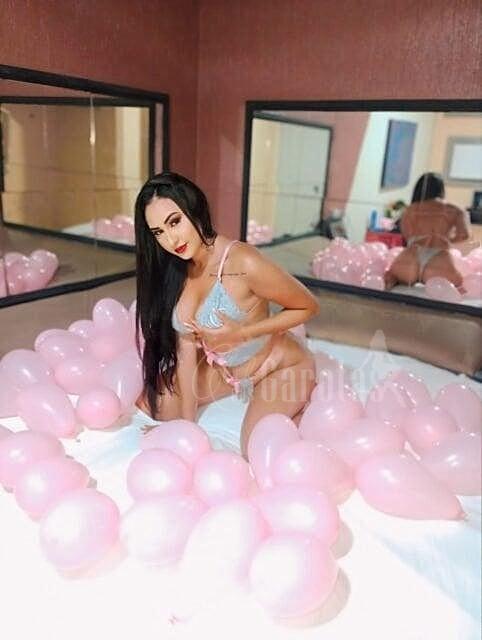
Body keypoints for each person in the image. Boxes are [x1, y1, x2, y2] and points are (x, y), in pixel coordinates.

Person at [134, 172, 319, 457]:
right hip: (227, 370)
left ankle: (304, 407)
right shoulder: (179, 268)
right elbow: (185, 351)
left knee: (254, 448)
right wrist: (187, 426)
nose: (170, 239)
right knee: (151, 404)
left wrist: (244, 332)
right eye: (158, 232)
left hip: (279, 364)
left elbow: (308, 305)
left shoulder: (243, 262)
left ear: (194, 208)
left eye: (174, 222)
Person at [384, 172, 471, 290]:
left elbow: (407, 235)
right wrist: (446, 240)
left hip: (410, 258)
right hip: (439, 260)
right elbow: (464, 235)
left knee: (390, 277)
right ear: (441, 189)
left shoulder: (410, 209)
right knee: (462, 286)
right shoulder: (455, 209)